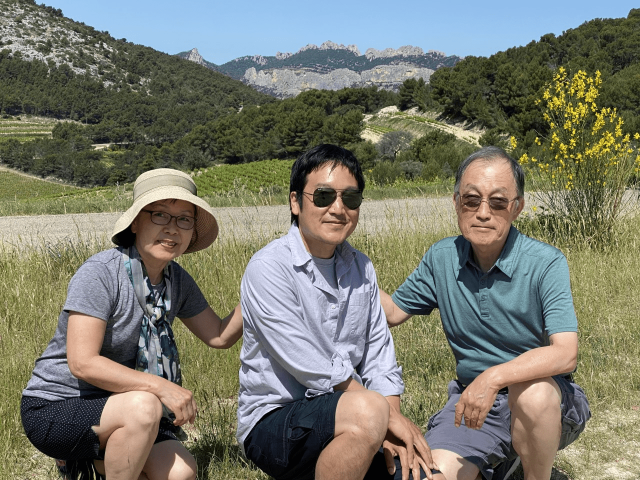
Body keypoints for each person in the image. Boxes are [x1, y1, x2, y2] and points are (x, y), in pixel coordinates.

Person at [380, 146, 591, 480]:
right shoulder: (442, 258)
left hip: (546, 401)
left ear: (517, 207)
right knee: (428, 477)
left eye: (497, 202)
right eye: (471, 200)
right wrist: (343, 265)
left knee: (531, 394)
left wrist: (492, 378)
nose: (482, 213)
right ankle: (500, 463)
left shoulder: (546, 262)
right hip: (476, 408)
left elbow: (565, 354)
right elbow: (391, 311)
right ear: (455, 203)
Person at [21, 168, 243, 480]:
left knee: (181, 473)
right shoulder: (100, 273)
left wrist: (258, 293)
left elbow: (218, 335)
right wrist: (162, 387)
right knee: (146, 406)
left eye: (184, 219)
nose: (172, 228)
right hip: (59, 406)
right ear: (136, 221)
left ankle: (87, 464)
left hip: (124, 406)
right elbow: (82, 363)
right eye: (160, 215)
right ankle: (80, 456)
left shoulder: (176, 280)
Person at [237, 144, 438, 480]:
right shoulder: (269, 268)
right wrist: (384, 418)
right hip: (275, 420)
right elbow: (309, 365)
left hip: (357, 418)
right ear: (295, 202)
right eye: (324, 196)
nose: (338, 208)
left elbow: (379, 355)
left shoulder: (361, 267)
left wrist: (390, 430)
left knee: (429, 476)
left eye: (351, 198)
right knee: (369, 409)